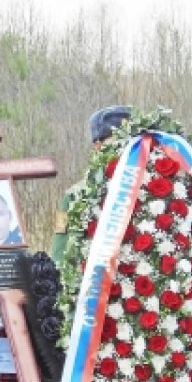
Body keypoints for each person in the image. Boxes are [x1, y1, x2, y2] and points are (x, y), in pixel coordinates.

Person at [50, 105, 131, 264]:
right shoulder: (72, 197)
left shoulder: (149, 191)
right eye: (116, 143)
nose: (123, 149)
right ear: (98, 146)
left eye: (128, 143)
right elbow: (59, 248)